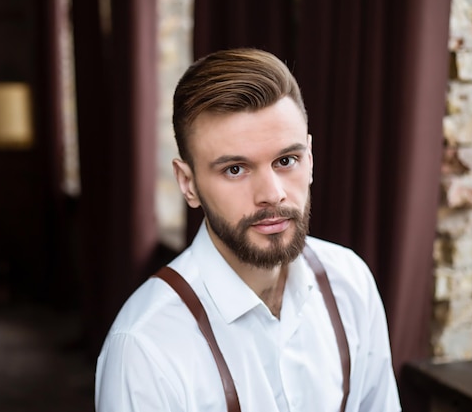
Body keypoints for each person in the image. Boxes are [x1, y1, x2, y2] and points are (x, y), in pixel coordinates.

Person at [94, 48, 401, 412]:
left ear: (311, 159)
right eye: (235, 169)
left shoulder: (351, 283)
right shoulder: (144, 348)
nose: (272, 194)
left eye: (286, 160)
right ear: (188, 183)